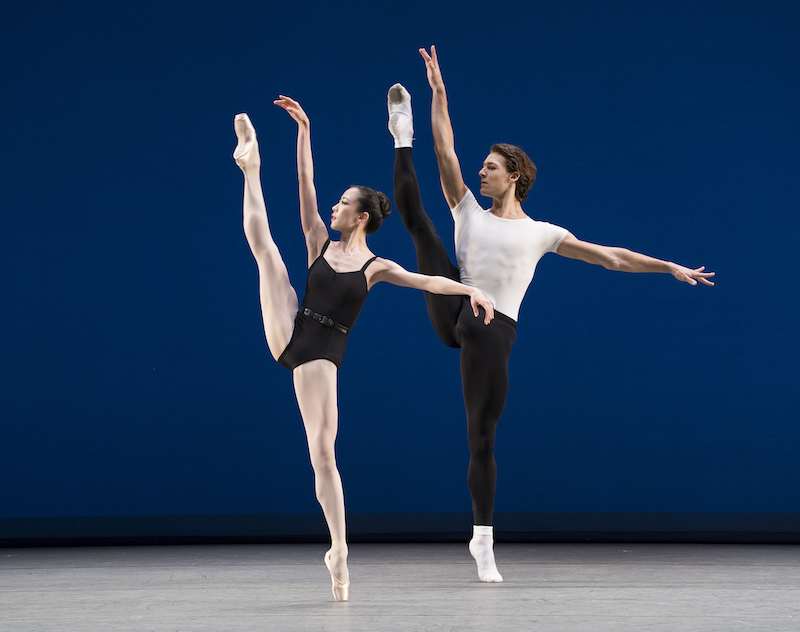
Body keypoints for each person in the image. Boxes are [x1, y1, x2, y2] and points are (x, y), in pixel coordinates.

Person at [387, 46, 715, 584]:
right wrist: (437, 92)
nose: (480, 172)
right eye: (482, 167)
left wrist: (668, 266)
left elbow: (610, 257)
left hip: (492, 328)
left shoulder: (542, 233)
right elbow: (444, 149)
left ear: (512, 175)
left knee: (482, 436)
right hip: (453, 303)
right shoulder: (467, 209)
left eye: (490, 168)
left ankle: (483, 541)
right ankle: (400, 132)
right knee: (419, 223)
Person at [234, 95, 495, 601]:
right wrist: (304, 130)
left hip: (320, 355)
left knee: (323, 454)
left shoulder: (377, 266)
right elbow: (306, 187)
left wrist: (469, 288)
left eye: (342, 204)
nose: (332, 207)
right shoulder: (319, 241)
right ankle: (250, 164)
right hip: (291, 327)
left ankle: (338, 549)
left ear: (360, 218)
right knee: (267, 254)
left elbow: (428, 282)